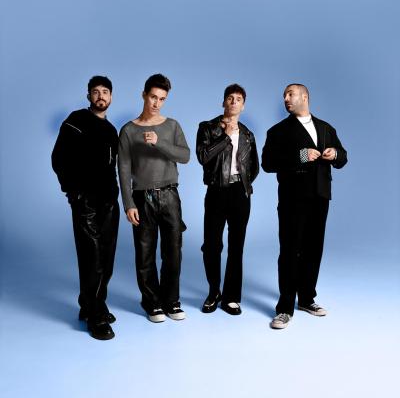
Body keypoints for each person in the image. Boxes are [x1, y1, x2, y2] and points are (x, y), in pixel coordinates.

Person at [261, 83, 347, 329]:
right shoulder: (278, 131)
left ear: (305, 97)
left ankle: (307, 299)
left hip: (320, 196)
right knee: (290, 251)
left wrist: (335, 154)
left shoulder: (326, 128)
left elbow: (343, 157)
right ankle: (285, 308)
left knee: (313, 249)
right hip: (292, 199)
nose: (286, 99)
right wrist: (300, 156)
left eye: (291, 94)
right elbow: (267, 163)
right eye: (284, 96)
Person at [52, 76, 120, 340]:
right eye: (95, 92)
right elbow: (58, 157)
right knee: (91, 257)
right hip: (86, 201)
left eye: (105, 92)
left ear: (111, 97)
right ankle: (96, 315)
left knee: (107, 257)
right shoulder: (76, 120)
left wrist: (115, 194)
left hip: (109, 201)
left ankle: (91, 303)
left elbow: (112, 167)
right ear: (89, 96)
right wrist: (74, 191)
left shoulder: (111, 130)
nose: (100, 96)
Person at [118, 74, 190, 322]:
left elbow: (185, 156)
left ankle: (172, 301)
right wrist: (128, 203)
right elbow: (123, 169)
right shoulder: (128, 130)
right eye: (153, 97)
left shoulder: (172, 126)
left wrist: (159, 143)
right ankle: (152, 302)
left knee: (173, 252)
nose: (157, 103)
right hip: (142, 197)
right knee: (145, 252)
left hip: (170, 195)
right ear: (144, 95)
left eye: (162, 99)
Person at [196, 84, 259, 315]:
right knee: (211, 245)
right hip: (216, 191)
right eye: (230, 98)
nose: (233, 102)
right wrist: (226, 136)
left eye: (238, 99)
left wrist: (243, 183)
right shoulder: (208, 128)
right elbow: (203, 157)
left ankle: (231, 297)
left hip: (240, 193)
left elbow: (254, 166)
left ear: (243, 105)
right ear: (223, 102)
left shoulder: (248, 134)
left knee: (236, 246)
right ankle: (214, 292)